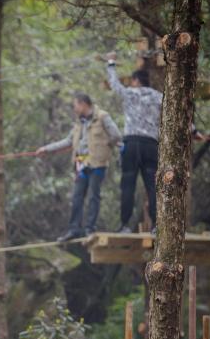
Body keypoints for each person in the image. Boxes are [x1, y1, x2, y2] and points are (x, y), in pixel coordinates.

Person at [36, 93, 122, 242]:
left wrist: (104, 147)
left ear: (83, 104)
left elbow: (116, 135)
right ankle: (74, 229)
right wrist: (46, 149)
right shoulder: (79, 123)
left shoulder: (102, 117)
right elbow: (68, 141)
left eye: (75, 105)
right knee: (77, 197)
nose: (74, 108)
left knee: (94, 196)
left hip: (98, 164)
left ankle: (90, 229)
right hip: (81, 165)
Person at [105, 52, 164, 234]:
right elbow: (177, 110)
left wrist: (111, 63)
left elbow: (114, 84)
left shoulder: (129, 93)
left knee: (128, 185)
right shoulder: (158, 96)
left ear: (136, 81)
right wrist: (193, 130)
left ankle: (124, 225)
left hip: (131, 144)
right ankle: (156, 225)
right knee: (153, 186)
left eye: (132, 81)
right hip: (150, 145)